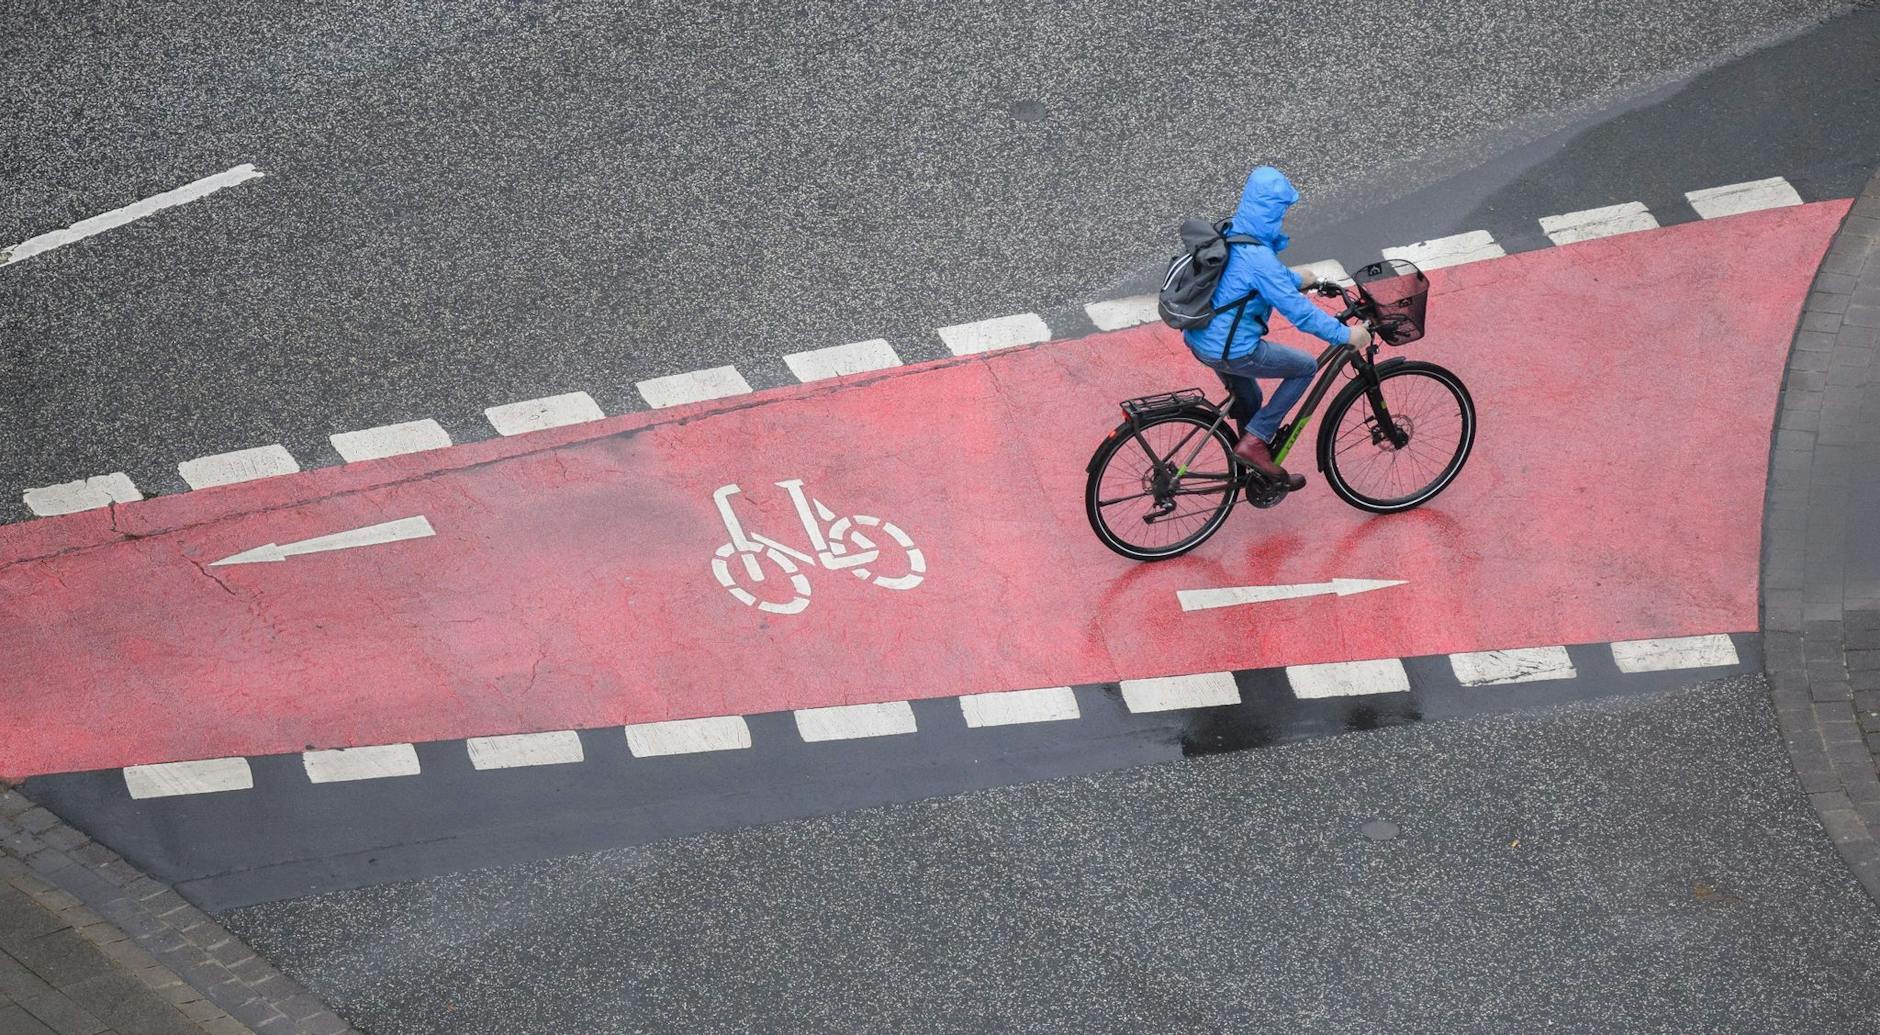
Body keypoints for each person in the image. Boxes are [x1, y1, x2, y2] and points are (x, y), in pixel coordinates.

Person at [1183, 165, 1371, 491]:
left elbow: (1258, 279)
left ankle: (1253, 470)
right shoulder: (1260, 258)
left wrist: (1300, 279)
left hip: (1200, 338)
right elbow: (1300, 314)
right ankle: (1255, 442)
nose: (1284, 219)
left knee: (1250, 396)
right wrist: (1345, 335)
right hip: (1233, 349)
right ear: (1271, 212)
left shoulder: (1231, 230)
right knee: (1304, 367)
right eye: (1282, 212)